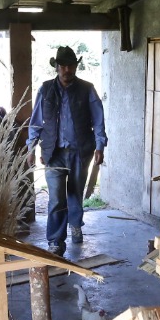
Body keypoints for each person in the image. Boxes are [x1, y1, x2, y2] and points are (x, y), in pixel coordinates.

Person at [26, 46, 107, 255]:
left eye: (70, 65)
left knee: (75, 192)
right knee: (56, 198)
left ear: (75, 66)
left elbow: (98, 119)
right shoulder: (45, 90)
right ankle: (55, 241)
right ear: (57, 67)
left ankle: (75, 224)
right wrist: (31, 147)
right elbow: (36, 121)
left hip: (81, 150)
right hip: (53, 152)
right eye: (63, 66)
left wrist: (100, 145)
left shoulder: (87, 89)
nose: (67, 69)